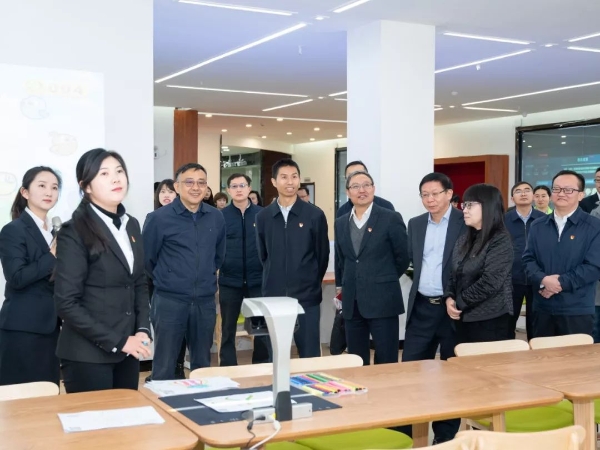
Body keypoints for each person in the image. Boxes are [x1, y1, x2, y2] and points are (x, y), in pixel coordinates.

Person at [54, 149, 151, 393]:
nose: (116, 178)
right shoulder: (74, 231)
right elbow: (66, 303)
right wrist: (119, 341)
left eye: (119, 171)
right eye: (104, 174)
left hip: (128, 351)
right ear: (86, 186)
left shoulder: (131, 224)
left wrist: (142, 328)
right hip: (88, 356)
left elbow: (138, 281)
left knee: (128, 416)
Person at [144, 163, 225, 379]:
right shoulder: (158, 218)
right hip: (169, 301)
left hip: (204, 302)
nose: (195, 187)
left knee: (202, 366)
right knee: (165, 365)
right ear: (177, 186)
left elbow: (218, 256)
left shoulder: (216, 217)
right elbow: (148, 261)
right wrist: (171, 278)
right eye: (189, 182)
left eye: (201, 183)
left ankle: (200, 401)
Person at [401, 172, 464, 444]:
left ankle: (444, 437)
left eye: (436, 193)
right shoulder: (415, 224)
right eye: (425, 195)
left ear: (449, 194)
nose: (430, 199)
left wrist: (458, 298)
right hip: (422, 307)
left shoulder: (465, 222)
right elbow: (411, 262)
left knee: (451, 374)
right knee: (410, 372)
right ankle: (404, 434)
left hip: (452, 310)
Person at [256, 159, 329, 358]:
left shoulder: (314, 215)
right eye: (284, 177)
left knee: (309, 355)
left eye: (294, 177)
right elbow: (263, 255)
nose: (290, 182)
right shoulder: (263, 217)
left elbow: (322, 255)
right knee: (276, 355)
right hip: (274, 297)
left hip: (307, 297)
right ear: (274, 181)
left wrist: (310, 280)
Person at [335, 171, 409, 365]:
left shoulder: (390, 218)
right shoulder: (340, 223)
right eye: (356, 186)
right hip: (352, 302)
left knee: (386, 359)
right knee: (356, 360)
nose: (362, 190)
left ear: (373, 188)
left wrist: (383, 278)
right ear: (348, 192)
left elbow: (403, 256)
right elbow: (342, 259)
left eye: (366, 185)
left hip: (383, 300)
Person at [0, 167, 62, 386]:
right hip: (23, 329)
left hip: (52, 327)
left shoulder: (55, 232)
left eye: (54, 187)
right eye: (42, 186)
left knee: (48, 392)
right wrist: (52, 255)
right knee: (22, 397)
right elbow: (16, 277)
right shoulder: (13, 230)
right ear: (25, 192)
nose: (49, 192)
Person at [523, 170, 600, 337]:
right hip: (542, 307)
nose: (561, 193)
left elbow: (593, 267)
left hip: (577, 309)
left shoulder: (594, 226)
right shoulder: (537, 225)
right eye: (557, 189)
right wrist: (544, 280)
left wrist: (558, 284)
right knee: (542, 353)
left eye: (568, 190)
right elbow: (528, 260)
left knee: (575, 354)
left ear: (581, 195)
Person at [444, 184, 514, 343]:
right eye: (464, 205)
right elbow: (453, 274)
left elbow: (490, 282)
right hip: (462, 317)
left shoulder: (500, 239)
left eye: (470, 205)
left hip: (490, 319)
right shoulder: (464, 239)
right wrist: (449, 298)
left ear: (488, 206)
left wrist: (459, 301)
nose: (464, 210)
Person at [219, 173, 270, 366]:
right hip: (229, 281)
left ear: (249, 188)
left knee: (261, 327)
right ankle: (228, 366)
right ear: (228, 190)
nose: (238, 189)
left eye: (242, 185)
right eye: (234, 186)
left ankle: (262, 364)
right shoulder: (220, 216)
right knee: (228, 327)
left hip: (258, 280)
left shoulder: (262, 214)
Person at [147, 179, 186, 380]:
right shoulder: (153, 218)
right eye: (162, 191)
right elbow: (148, 256)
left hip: (182, 287)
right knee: (163, 330)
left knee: (181, 330)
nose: (166, 195)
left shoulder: (185, 218)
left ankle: (178, 368)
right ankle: (163, 372)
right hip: (158, 283)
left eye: (170, 191)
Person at [505, 181, 545, 341]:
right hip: (511, 280)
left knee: (536, 325)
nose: (523, 193)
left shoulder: (544, 219)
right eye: (518, 191)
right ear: (512, 198)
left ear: (533, 196)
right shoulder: (504, 220)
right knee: (507, 324)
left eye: (527, 190)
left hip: (537, 279)